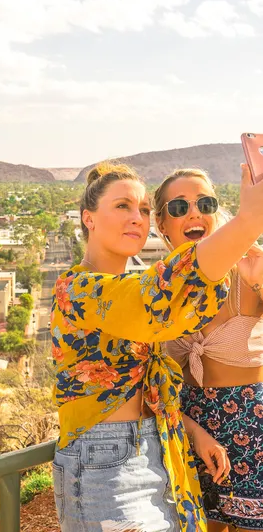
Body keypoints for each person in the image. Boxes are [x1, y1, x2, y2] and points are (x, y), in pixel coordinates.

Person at [51, 161, 263, 532]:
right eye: (122, 206)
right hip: (106, 466)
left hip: (161, 452)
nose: (137, 218)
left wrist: (193, 434)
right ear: (88, 218)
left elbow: (147, 385)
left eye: (143, 209)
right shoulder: (77, 291)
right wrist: (246, 223)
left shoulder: (132, 285)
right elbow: (156, 300)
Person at [155, 168, 263, 532]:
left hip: (254, 429)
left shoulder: (250, 266)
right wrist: (188, 429)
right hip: (187, 431)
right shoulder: (154, 290)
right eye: (179, 206)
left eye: (205, 203)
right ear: (161, 223)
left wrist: (259, 280)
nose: (194, 212)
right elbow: (149, 382)